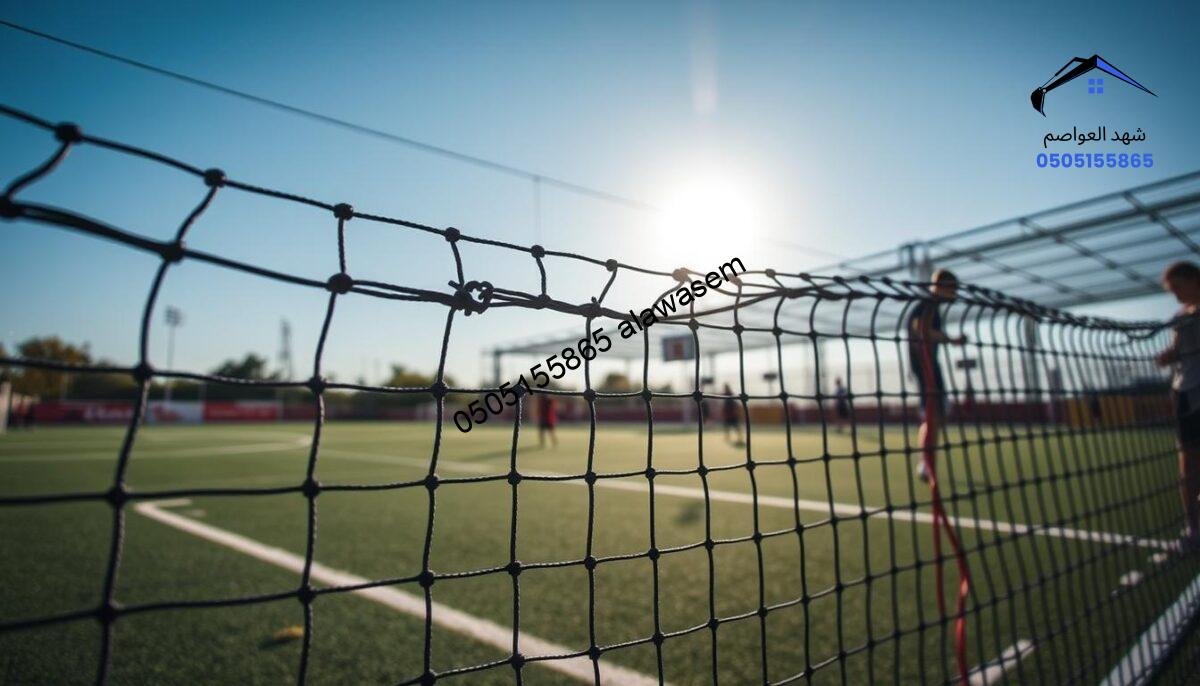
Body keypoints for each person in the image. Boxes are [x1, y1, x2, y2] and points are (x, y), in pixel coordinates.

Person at [1155, 261, 1200, 549]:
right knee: (1188, 465)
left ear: (1194, 279)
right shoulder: (1179, 316)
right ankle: (1194, 529)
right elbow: (1177, 352)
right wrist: (1166, 356)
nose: (1176, 296)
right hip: (1184, 394)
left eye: (1178, 288)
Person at [909, 269, 968, 483]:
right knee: (932, 415)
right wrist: (950, 339)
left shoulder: (933, 307)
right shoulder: (927, 305)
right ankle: (925, 463)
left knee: (938, 416)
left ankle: (926, 461)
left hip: (932, 368)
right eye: (953, 288)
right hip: (925, 369)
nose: (955, 293)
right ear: (942, 286)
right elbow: (919, 328)